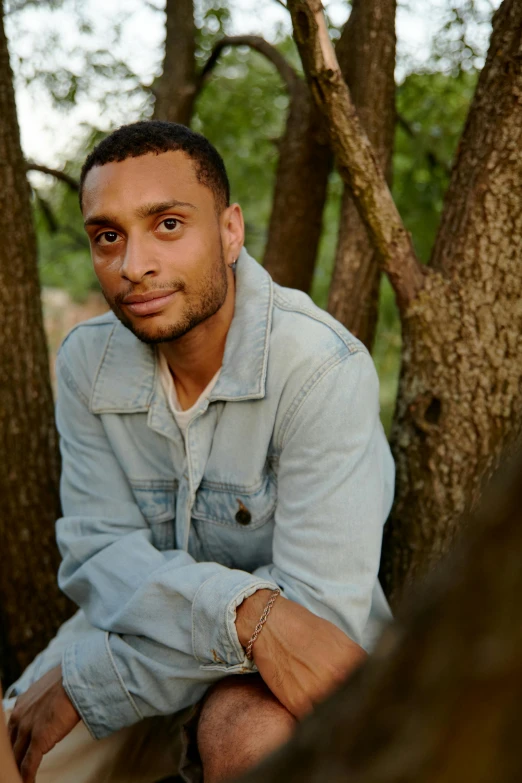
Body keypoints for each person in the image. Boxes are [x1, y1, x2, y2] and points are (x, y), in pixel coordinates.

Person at [4, 121, 394, 783]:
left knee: (252, 740)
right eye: (108, 236)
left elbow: (313, 623)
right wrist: (247, 614)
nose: (134, 265)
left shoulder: (323, 369)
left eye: (168, 224)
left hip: (258, 680)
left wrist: (94, 680)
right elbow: (101, 555)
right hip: (127, 634)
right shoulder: (86, 362)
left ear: (231, 230)